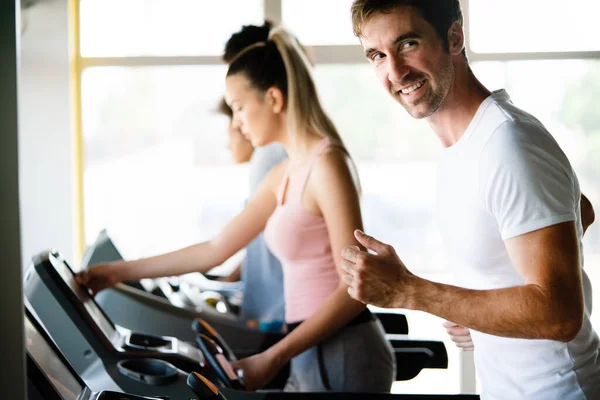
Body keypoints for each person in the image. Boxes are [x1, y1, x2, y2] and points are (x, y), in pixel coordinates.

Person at [77, 25, 395, 393]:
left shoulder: (327, 165)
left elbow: (356, 288)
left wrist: (273, 357)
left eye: (240, 107)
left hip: (343, 351)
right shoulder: (285, 172)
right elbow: (215, 249)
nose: (238, 124)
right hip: (308, 347)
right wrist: (115, 273)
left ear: (274, 99)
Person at [341, 1, 600, 399]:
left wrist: (408, 290)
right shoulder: (465, 145)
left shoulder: (508, 143)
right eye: (377, 55)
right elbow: (578, 208)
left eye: (408, 43)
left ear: (454, 37)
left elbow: (560, 314)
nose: (394, 72)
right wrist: (487, 312)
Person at [216, 95, 288, 329]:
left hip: (278, 312)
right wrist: (228, 279)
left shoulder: (267, 156)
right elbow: (260, 239)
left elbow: (217, 249)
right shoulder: (272, 156)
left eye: (239, 112)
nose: (227, 144)